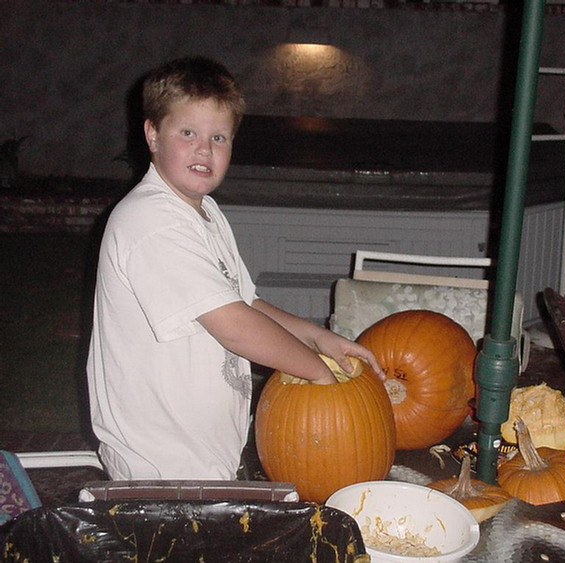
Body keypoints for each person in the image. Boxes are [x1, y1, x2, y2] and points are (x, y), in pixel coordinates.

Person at [86, 56, 384, 481]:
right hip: (161, 468)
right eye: (188, 132)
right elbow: (233, 324)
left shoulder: (203, 211)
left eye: (219, 137)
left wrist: (319, 338)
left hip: (204, 455)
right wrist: (318, 371)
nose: (204, 149)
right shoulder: (151, 221)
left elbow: (244, 301)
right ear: (153, 134)